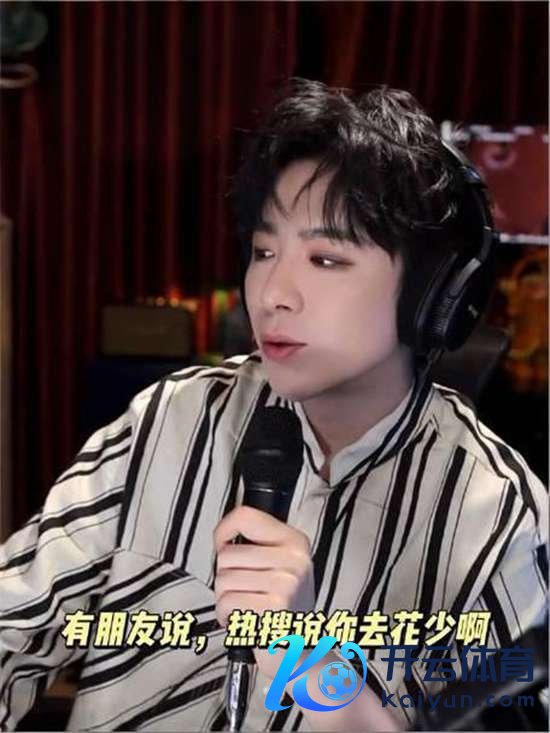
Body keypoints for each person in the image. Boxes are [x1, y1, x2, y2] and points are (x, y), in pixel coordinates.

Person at [0, 79, 547, 732]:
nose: (272, 293)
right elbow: (13, 623)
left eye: (325, 258)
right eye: (264, 251)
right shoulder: (172, 418)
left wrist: (309, 661)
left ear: (436, 295)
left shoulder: (495, 511)